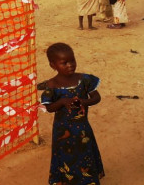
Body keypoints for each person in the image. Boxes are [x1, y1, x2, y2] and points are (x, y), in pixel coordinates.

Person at [39, 43, 104, 184]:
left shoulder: (84, 80)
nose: (70, 65)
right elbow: (49, 108)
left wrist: (83, 102)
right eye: (64, 63)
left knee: (84, 154)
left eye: (72, 60)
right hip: (61, 131)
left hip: (82, 129)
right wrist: (62, 101)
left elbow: (96, 97)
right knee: (64, 156)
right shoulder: (52, 85)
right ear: (53, 65)